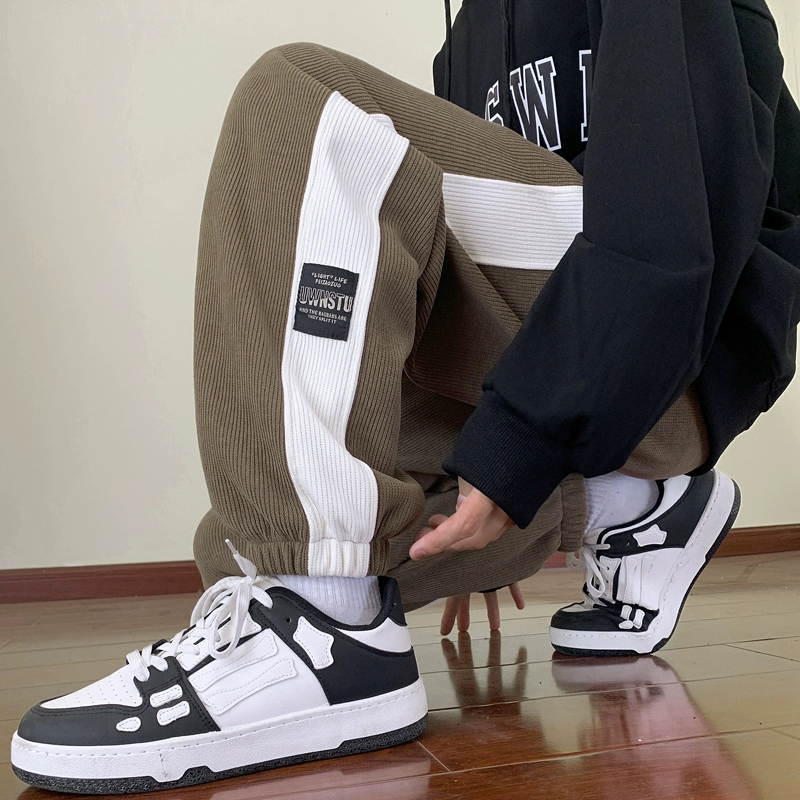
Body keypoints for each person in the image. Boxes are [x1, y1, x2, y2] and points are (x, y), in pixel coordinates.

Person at [11, 0, 800, 793]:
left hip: (680, 359)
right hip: (580, 363)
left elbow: (669, 229)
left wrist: (522, 445)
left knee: (304, 100)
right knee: (282, 523)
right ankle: (623, 506)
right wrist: (481, 484)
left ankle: (320, 628)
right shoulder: (466, 38)